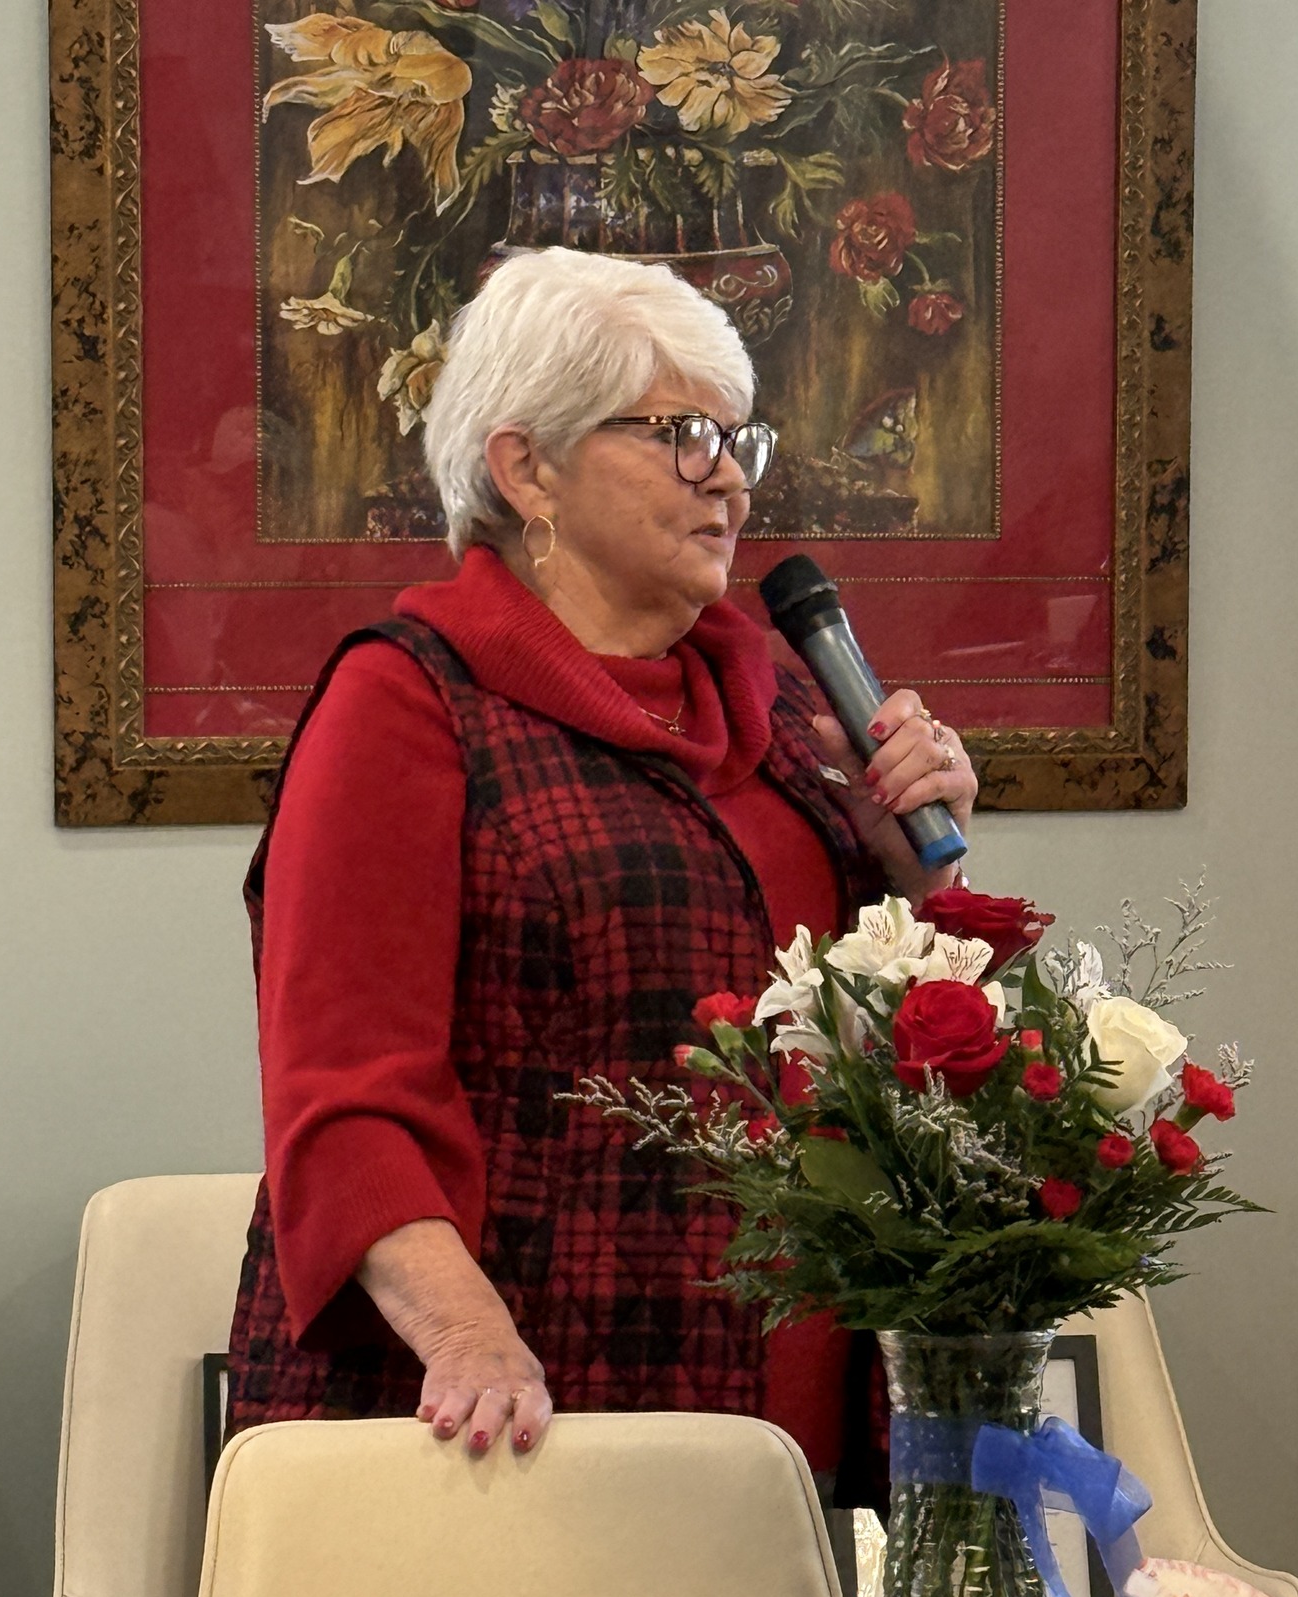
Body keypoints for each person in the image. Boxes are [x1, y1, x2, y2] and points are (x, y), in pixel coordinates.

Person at [228, 246, 978, 1471]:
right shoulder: (409, 701)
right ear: (528, 467)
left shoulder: (781, 709)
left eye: (741, 441)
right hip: (515, 1411)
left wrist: (911, 876)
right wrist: (470, 1336)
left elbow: (851, 1043)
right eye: (684, 433)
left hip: (800, 1401)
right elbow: (344, 1089)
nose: (728, 480)